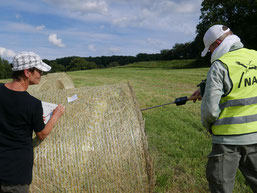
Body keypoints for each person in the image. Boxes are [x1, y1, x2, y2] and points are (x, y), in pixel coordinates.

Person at [199, 24, 257, 192]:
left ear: (217, 43)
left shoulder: (219, 65)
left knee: (221, 187)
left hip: (227, 142)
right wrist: (205, 86)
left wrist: (208, 125)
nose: (210, 53)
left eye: (209, 49)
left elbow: (210, 109)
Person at [0, 51, 65, 193]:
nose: (41, 74)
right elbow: (41, 134)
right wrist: (56, 114)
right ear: (27, 72)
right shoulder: (33, 104)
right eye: (39, 70)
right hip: (15, 174)